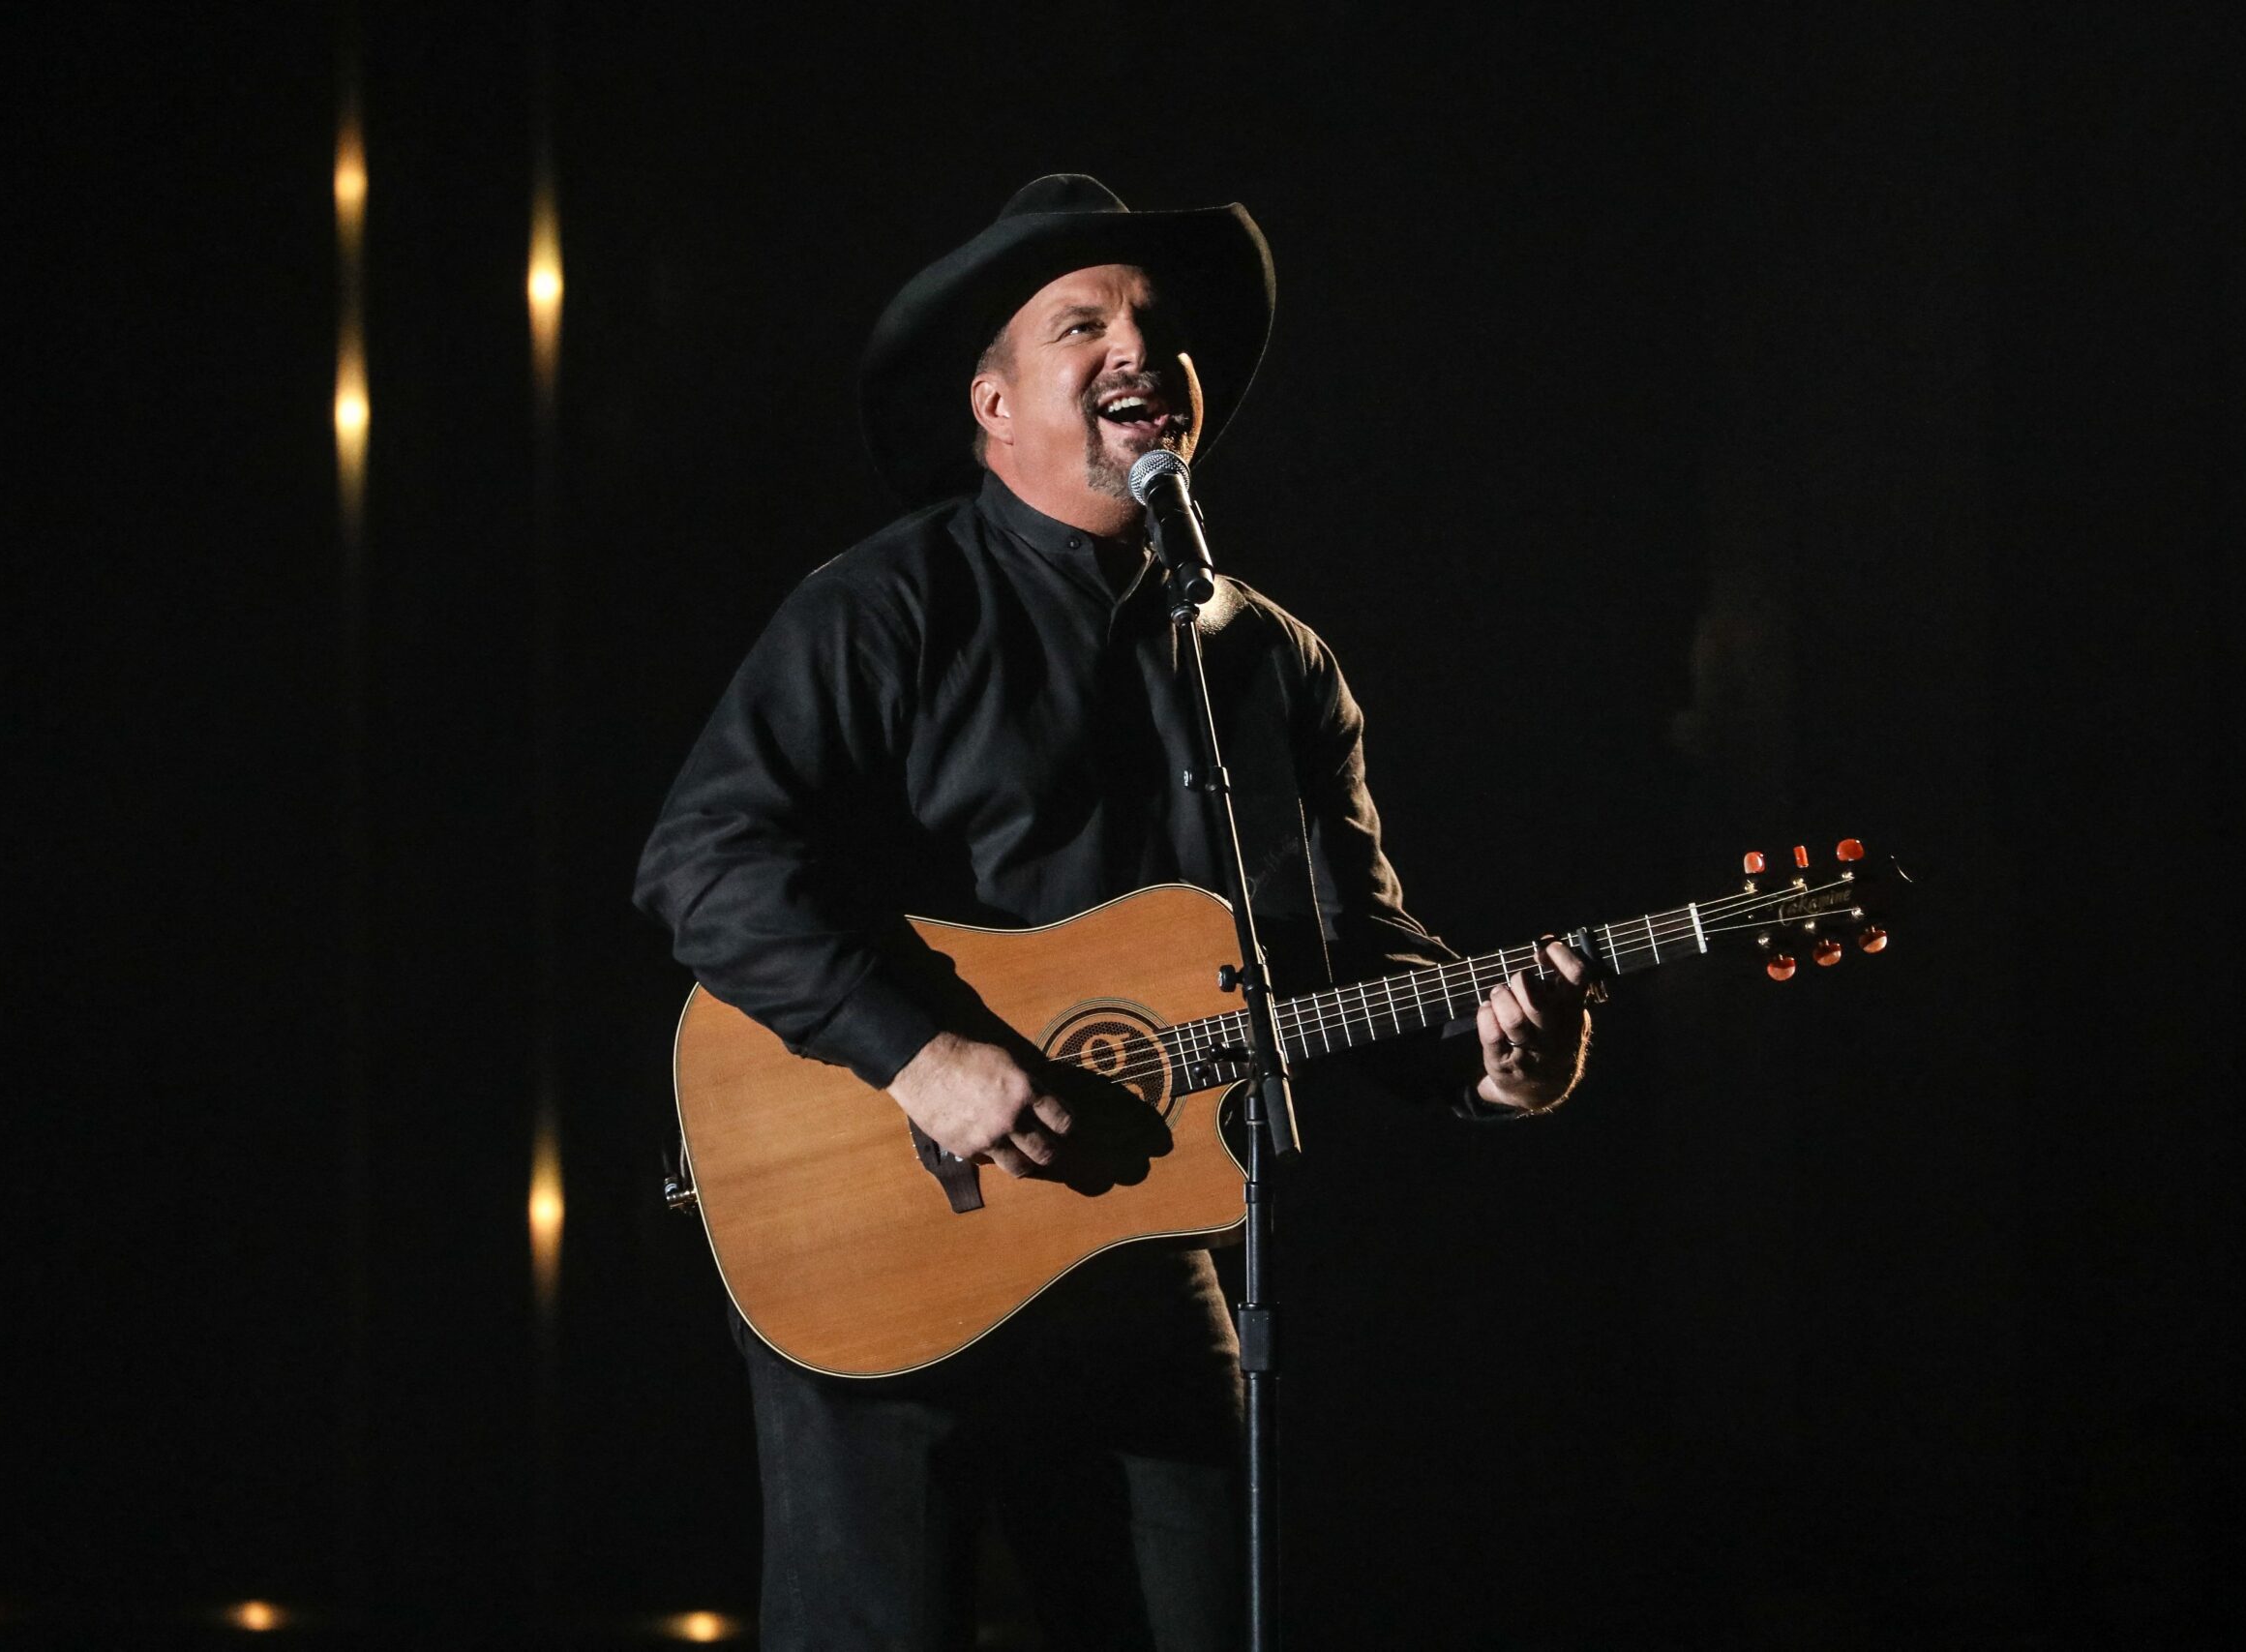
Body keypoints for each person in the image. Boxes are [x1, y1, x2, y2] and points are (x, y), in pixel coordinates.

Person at [635, 174, 1591, 1652]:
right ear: (996, 407)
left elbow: (1356, 958)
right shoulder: (884, 610)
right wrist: (925, 1057)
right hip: (877, 1227)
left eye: (1155, 325)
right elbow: (703, 862)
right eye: (1081, 325)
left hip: (1141, 1255)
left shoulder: (1273, 663)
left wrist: (1495, 1061)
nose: (1137, 348)